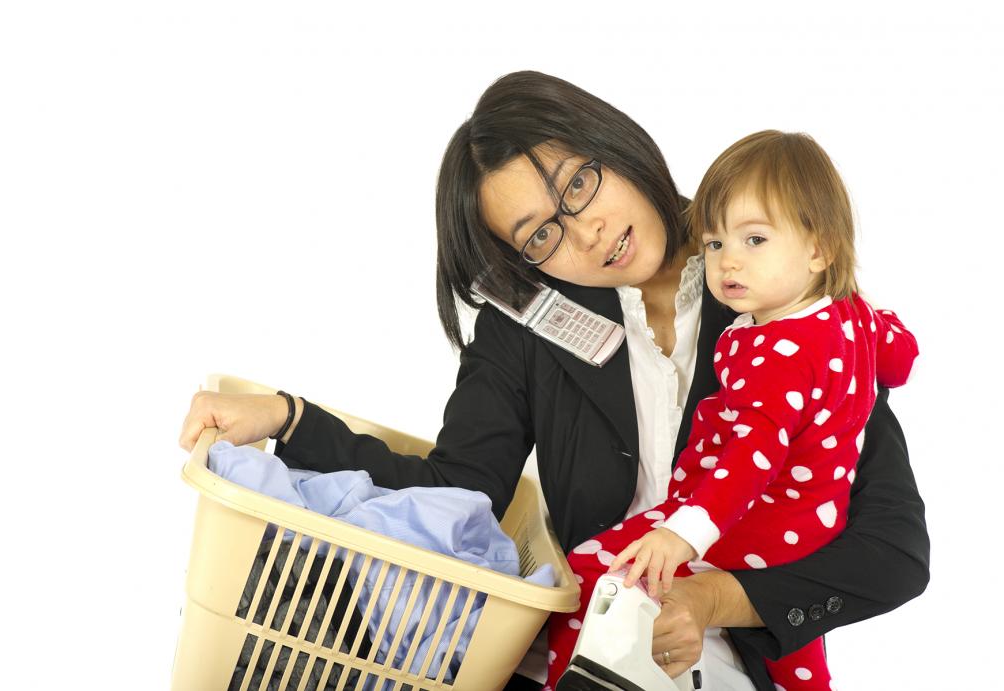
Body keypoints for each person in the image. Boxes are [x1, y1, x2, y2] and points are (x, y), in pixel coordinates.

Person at [178, 71, 929, 690]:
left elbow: (893, 553)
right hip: (566, 653)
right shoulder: (526, 326)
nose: (587, 233)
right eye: (542, 234)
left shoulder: (781, 285)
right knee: (285, 633)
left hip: (718, 657)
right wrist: (288, 418)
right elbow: (457, 491)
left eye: (580, 185)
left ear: (615, 144)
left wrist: (713, 598)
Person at [546, 130, 919, 691]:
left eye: (755, 240)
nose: (728, 263)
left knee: (589, 575)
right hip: (809, 532)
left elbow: (753, 454)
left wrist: (683, 534)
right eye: (716, 244)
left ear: (819, 249)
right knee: (798, 665)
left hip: (755, 523)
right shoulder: (853, 316)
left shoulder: (779, 353)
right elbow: (901, 354)